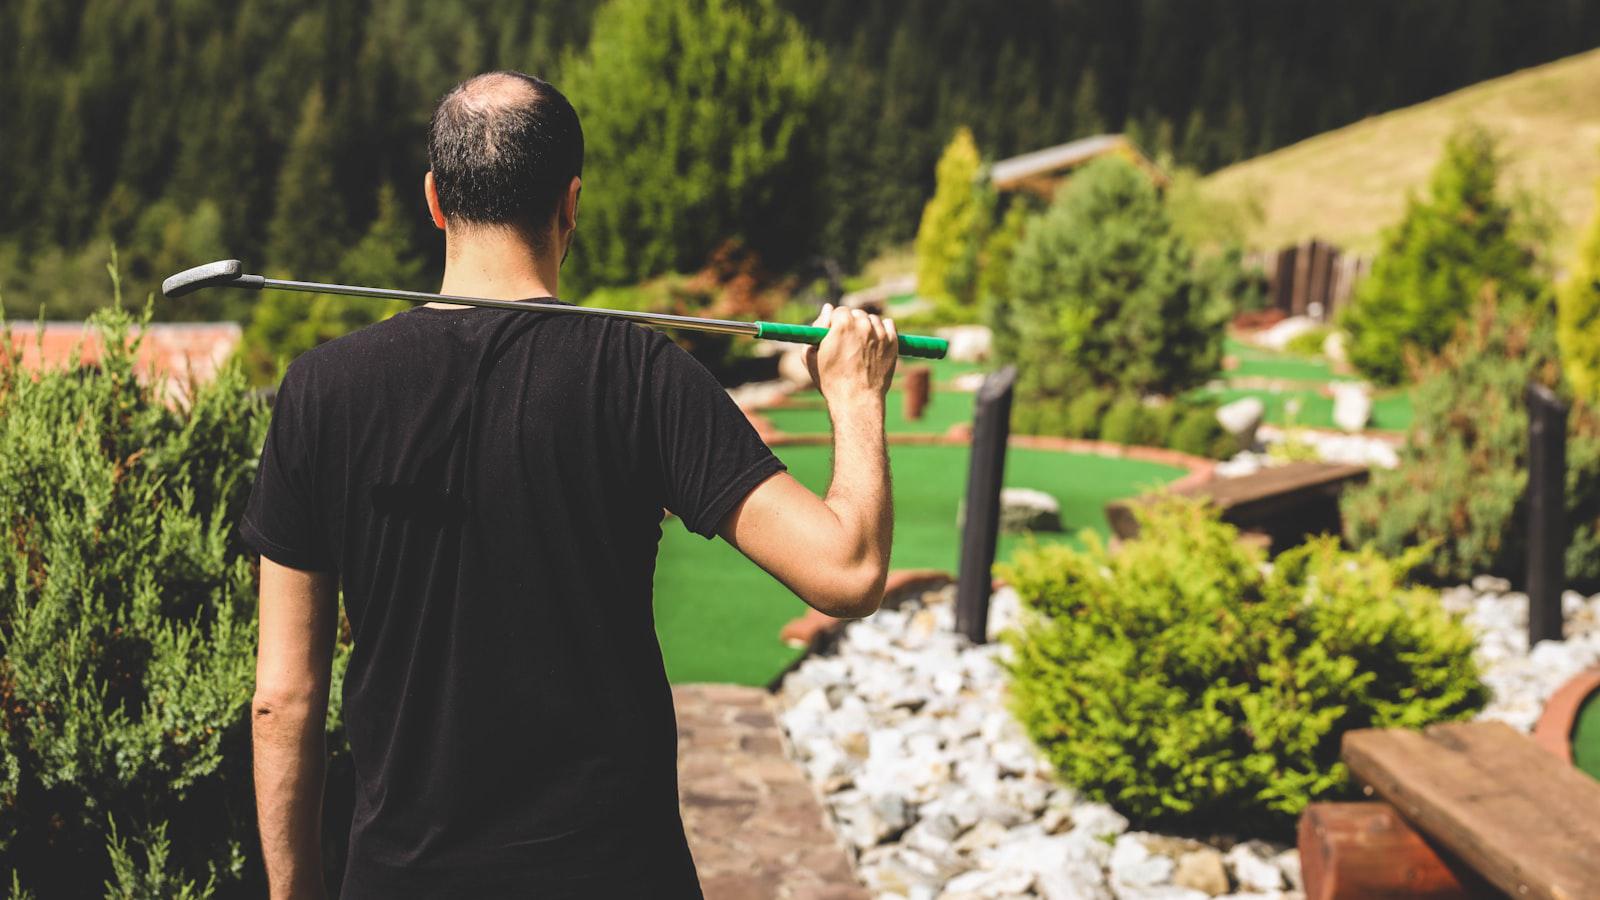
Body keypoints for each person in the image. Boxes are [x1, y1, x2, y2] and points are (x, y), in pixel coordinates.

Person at [245, 71, 897, 899]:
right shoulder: (642, 374)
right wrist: (855, 394)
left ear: (436, 200)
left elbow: (282, 701)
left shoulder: (319, 390)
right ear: (571, 203)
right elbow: (847, 571)